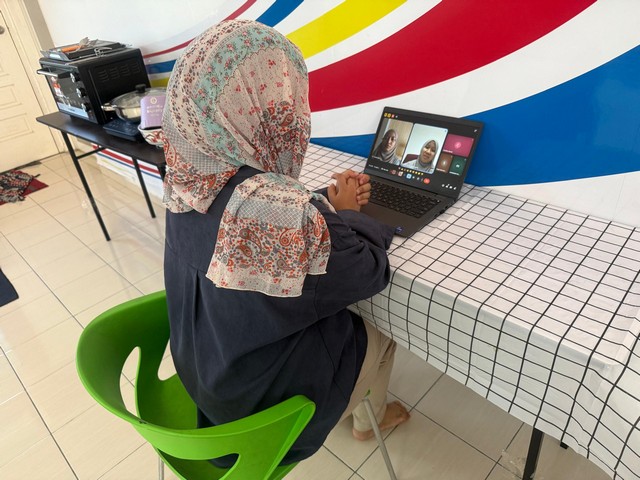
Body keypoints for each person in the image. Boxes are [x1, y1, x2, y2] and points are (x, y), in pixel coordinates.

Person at [162, 19, 409, 466]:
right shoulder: (291, 217)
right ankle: (367, 419)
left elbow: (241, 219)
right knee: (383, 332)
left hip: (205, 379)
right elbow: (369, 271)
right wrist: (346, 214)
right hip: (262, 416)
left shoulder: (185, 178)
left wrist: (320, 208)